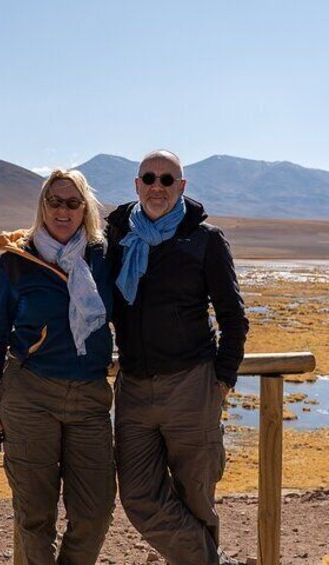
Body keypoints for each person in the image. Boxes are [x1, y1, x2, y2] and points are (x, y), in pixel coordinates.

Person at [106, 150, 249, 565]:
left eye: (167, 180)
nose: (157, 187)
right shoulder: (117, 236)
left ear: (181, 187)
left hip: (192, 384)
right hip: (133, 386)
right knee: (137, 497)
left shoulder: (204, 239)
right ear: (136, 185)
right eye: (149, 178)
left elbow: (233, 317)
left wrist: (220, 381)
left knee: (197, 499)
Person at [0, 169, 115, 564]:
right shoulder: (14, 264)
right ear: (42, 205)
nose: (63, 210)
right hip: (30, 396)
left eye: (73, 203)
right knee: (35, 516)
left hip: (90, 396)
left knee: (96, 511)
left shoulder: (102, 257)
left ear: (85, 209)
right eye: (54, 201)